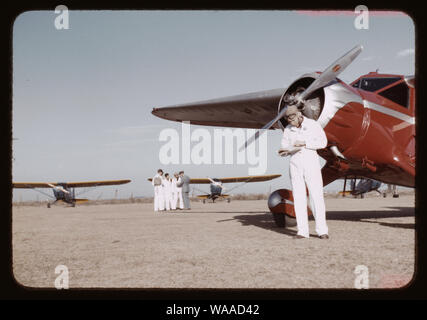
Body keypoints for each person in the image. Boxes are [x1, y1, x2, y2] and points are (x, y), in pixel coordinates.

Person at [278, 105, 329, 239]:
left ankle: (322, 230)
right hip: (295, 163)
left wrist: (305, 142)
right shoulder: (288, 129)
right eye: (288, 119)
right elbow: (284, 145)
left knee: (316, 196)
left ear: (299, 114)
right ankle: (302, 232)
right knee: (299, 197)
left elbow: (323, 142)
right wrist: (285, 150)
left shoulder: (313, 125)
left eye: (292, 118)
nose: (290, 121)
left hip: (310, 162)